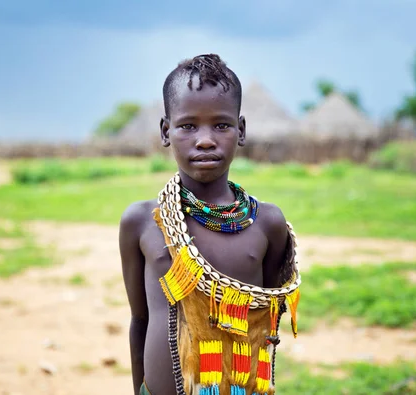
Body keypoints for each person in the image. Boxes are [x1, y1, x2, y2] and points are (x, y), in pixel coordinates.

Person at [120, 54, 301, 395]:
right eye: (188, 126)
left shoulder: (267, 224)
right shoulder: (142, 222)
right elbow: (140, 322)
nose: (205, 139)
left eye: (221, 125)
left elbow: (267, 328)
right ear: (165, 131)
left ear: (241, 130)